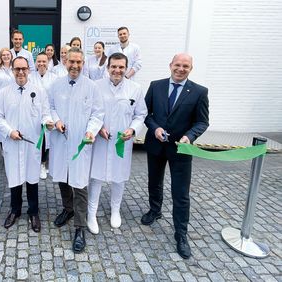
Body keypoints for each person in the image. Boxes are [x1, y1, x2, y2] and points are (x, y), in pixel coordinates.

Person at [142, 53, 209, 259]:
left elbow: (202, 122)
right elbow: (145, 113)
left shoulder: (199, 92)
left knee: (180, 194)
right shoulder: (156, 86)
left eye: (185, 66)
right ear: (170, 65)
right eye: (177, 65)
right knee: (155, 182)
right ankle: (155, 210)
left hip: (181, 149)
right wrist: (154, 128)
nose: (181, 69)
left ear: (191, 68)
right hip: (156, 144)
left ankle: (181, 234)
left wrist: (190, 136)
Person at [49, 48, 104, 253]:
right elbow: (50, 107)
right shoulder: (55, 85)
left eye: (79, 62)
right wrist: (57, 121)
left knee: (80, 184)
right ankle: (68, 209)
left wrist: (91, 131)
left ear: (83, 64)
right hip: (62, 140)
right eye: (72, 61)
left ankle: (80, 227)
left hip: (81, 142)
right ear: (66, 62)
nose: (75, 66)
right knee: (63, 178)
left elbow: (98, 113)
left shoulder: (91, 87)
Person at [87, 53, 147, 234]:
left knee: (119, 178)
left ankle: (115, 210)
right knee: (96, 177)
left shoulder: (135, 89)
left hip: (122, 141)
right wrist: (98, 128)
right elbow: (90, 111)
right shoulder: (96, 87)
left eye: (121, 67)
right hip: (100, 140)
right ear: (108, 68)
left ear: (126, 68)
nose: (117, 70)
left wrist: (133, 129)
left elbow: (140, 114)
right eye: (114, 66)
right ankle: (91, 213)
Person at [0, 56, 54, 232]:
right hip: (13, 143)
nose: (20, 72)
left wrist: (48, 122)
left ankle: (33, 212)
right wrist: (9, 131)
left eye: (23, 69)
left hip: (32, 143)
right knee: (14, 178)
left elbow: (45, 113)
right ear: (12, 70)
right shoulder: (4, 92)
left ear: (29, 70)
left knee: (32, 178)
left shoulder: (39, 91)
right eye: (17, 69)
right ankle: (15, 210)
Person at [28, 52, 58, 179]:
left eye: (44, 61)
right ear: (35, 63)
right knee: (35, 138)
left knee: (47, 140)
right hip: (33, 112)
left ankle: (43, 164)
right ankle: (35, 163)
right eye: (39, 61)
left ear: (48, 63)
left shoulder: (54, 78)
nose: (41, 64)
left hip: (48, 111)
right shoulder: (30, 77)